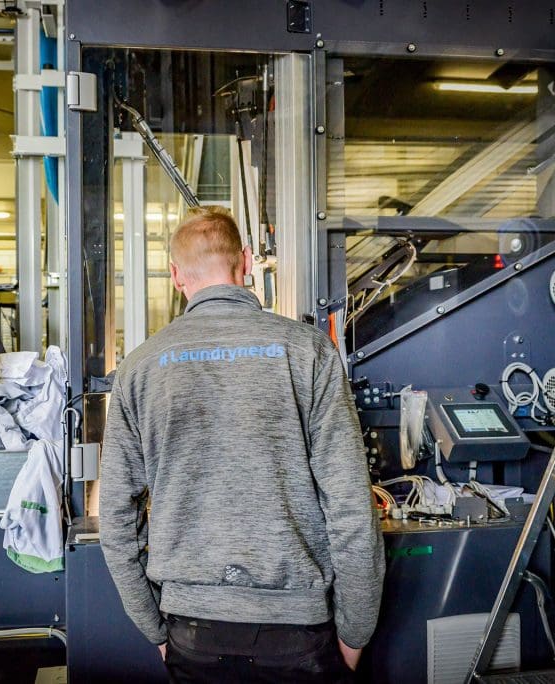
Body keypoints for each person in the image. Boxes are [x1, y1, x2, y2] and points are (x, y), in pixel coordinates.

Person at [99, 208, 384, 682]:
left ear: (175, 276)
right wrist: (356, 634)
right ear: (247, 261)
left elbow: (116, 522)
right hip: (300, 630)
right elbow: (352, 508)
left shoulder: (139, 368)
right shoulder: (308, 351)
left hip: (192, 631)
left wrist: (154, 629)